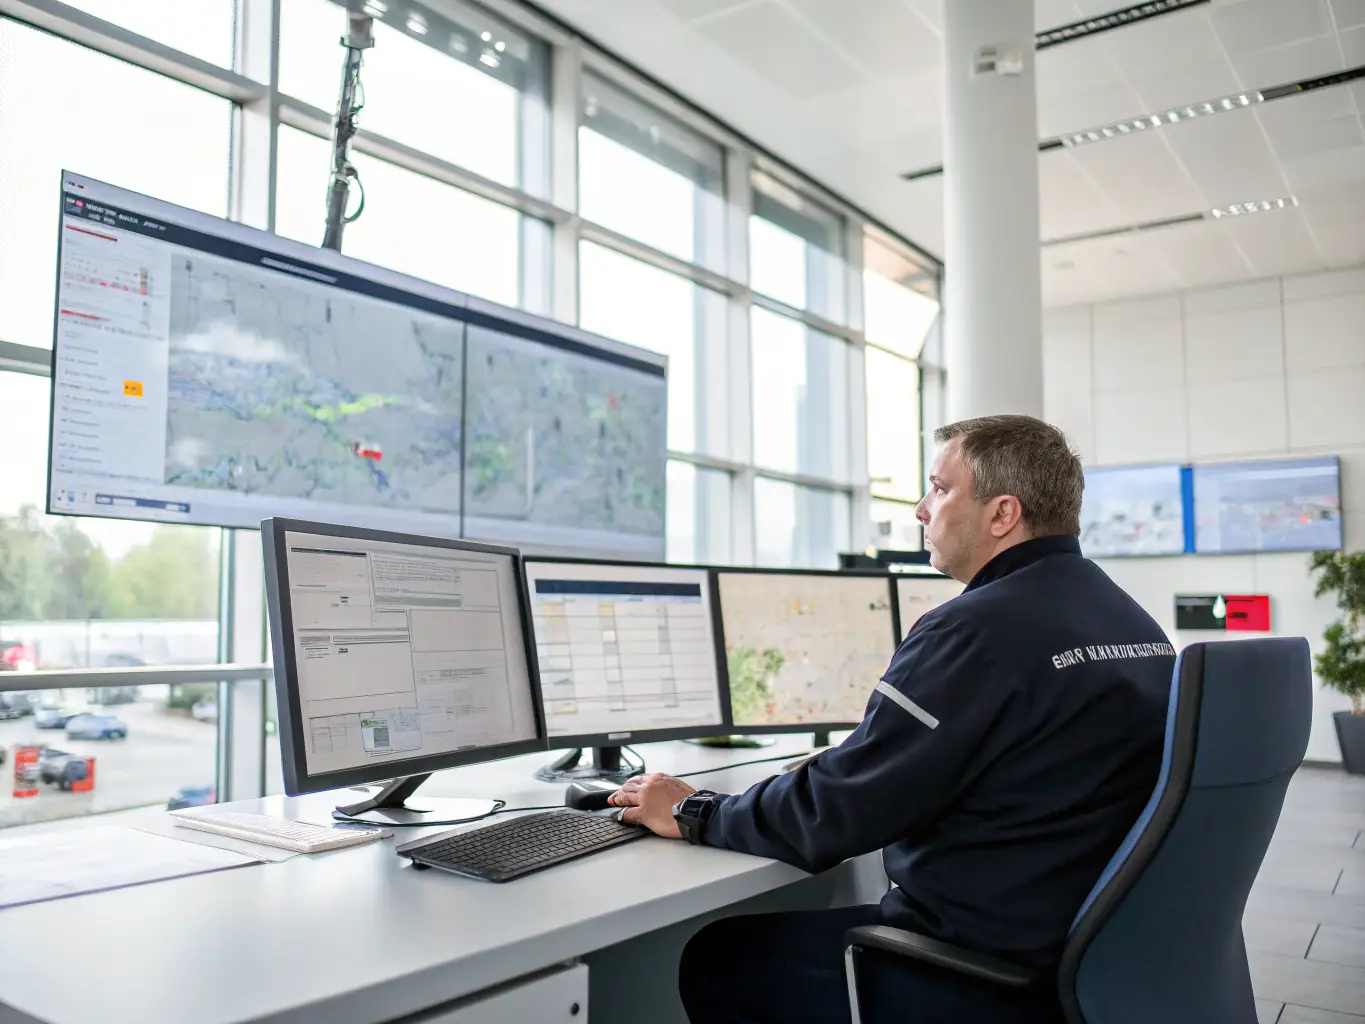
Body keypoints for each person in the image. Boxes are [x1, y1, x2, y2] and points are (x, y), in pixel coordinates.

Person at [609, 415, 1177, 1024]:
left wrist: (695, 810)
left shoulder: (976, 628)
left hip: (977, 968)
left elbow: (839, 810)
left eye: (940, 487)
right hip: (1085, 951)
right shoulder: (1130, 622)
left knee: (720, 957)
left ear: (1002, 514)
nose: (920, 509)